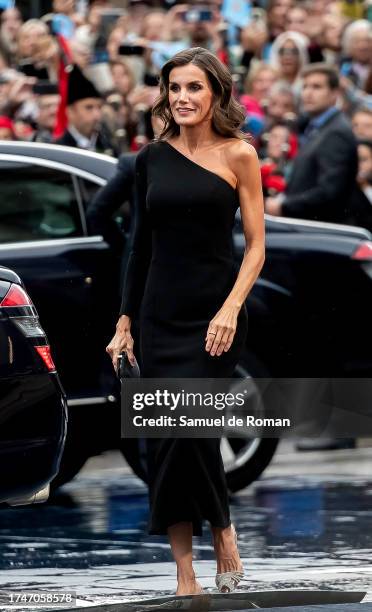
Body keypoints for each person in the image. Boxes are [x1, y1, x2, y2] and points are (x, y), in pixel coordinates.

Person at [106, 46, 265, 596]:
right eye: (175, 89)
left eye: (194, 87)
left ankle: (222, 532)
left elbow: (256, 248)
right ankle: (185, 571)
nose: (183, 98)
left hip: (215, 316)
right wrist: (124, 321)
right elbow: (138, 247)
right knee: (167, 439)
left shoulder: (239, 154)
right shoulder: (150, 158)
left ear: (216, 92)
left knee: (193, 433)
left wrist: (230, 308)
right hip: (159, 315)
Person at [266, 63, 358, 223]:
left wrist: (284, 205)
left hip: (322, 231)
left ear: (334, 94)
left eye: (316, 87)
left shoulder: (336, 132)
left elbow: (329, 192)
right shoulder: (315, 126)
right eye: (305, 86)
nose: (308, 93)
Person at [55, 64, 116, 155]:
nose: (97, 115)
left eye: (99, 107)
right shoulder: (58, 149)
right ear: (70, 112)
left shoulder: (109, 145)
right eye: (89, 107)